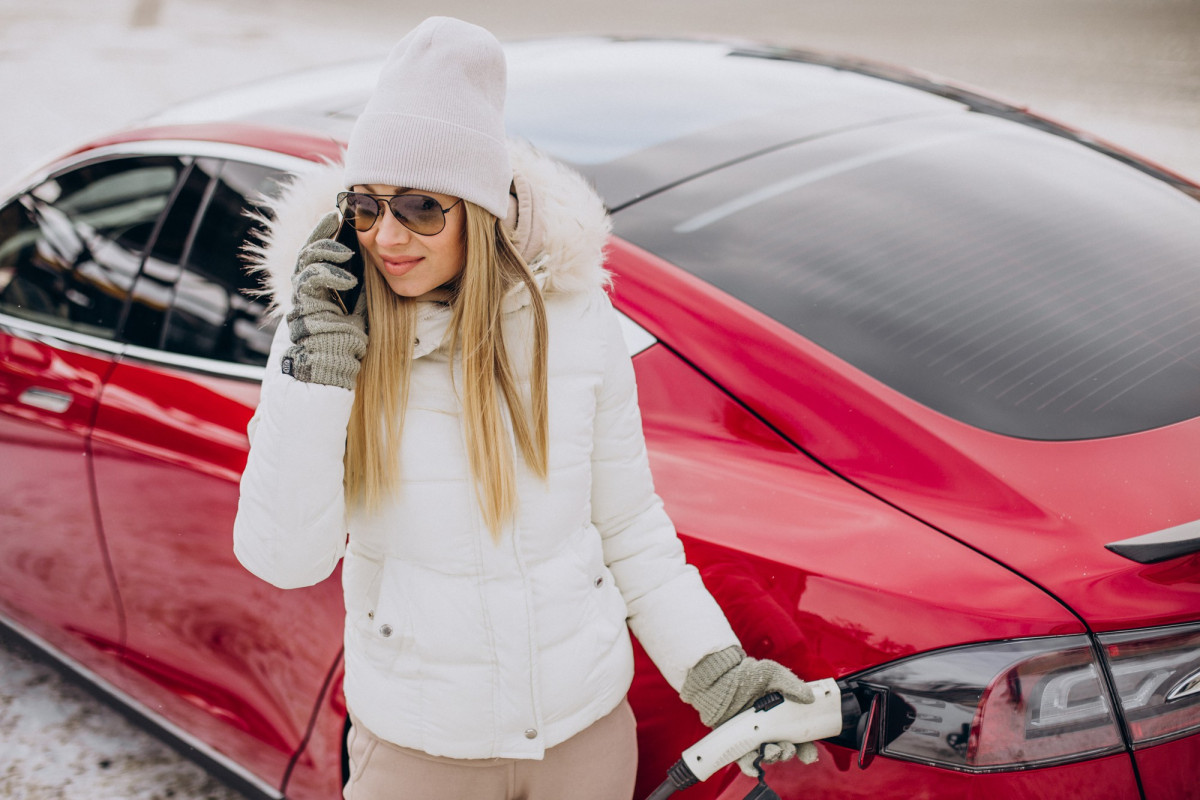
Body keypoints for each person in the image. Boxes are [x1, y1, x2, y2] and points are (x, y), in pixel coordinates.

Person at [233, 16, 818, 800]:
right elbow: (284, 561)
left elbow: (628, 525)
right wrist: (318, 369)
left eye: (420, 207)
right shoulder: (327, 335)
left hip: (585, 741)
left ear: (479, 209)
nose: (387, 237)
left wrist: (714, 670)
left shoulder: (574, 319)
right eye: (366, 207)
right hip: (421, 753)